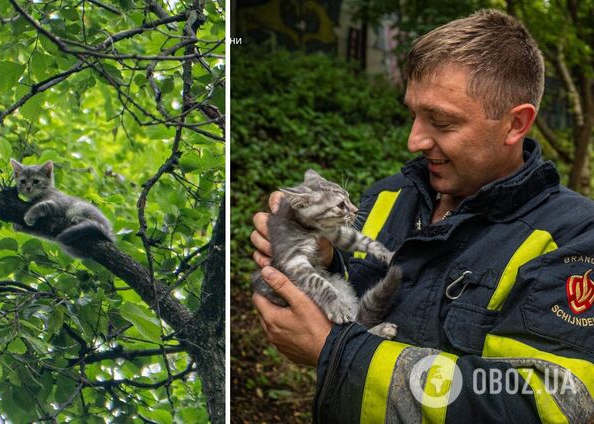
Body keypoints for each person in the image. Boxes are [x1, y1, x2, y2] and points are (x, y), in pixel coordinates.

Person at [251, 9, 594, 423]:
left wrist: (335, 351)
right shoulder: (388, 196)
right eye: (413, 113)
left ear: (515, 124)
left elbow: (545, 403)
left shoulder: (575, 236)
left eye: (441, 121)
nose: (414, 139)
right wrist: (321, 261)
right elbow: (357, 302)